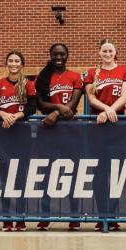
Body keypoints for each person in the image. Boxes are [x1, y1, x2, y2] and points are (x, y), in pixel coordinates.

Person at [35, 43, 84, 230]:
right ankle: (45, 216)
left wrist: (56, 113)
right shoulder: (44, 76)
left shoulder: (75, 77)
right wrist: (58, 109)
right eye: (55, 54)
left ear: (67, 55)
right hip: (48, 131)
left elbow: (73, 103)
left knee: (72, 173)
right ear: (50, 55)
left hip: (71, 131)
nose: (58, 57)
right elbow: (40, 102)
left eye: (62, 54)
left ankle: (74, 216)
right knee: (47, 173)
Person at [0, 51, 37, 232]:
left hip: (21, 134)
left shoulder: (28, 84)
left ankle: (20, 218)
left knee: (20, 178)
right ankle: (6, 219)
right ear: (6, 63)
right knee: (4, 177)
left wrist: (16, 116)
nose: (13, 63)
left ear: (22, 64)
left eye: (17, 61)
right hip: (3, 133)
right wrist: (3, 114)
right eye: (10, 60)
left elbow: (32, 107)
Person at [83, 39, 126, 124]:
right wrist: (107, 109)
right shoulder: (91, 72)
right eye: (104, 51)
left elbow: (124, 98)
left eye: (110, 51)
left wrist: (107, 112)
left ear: (115, 52)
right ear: (99, 52)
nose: (108, 54)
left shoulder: (125, 70)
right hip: (97, 119)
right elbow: (92, 99)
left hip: (118, 118)